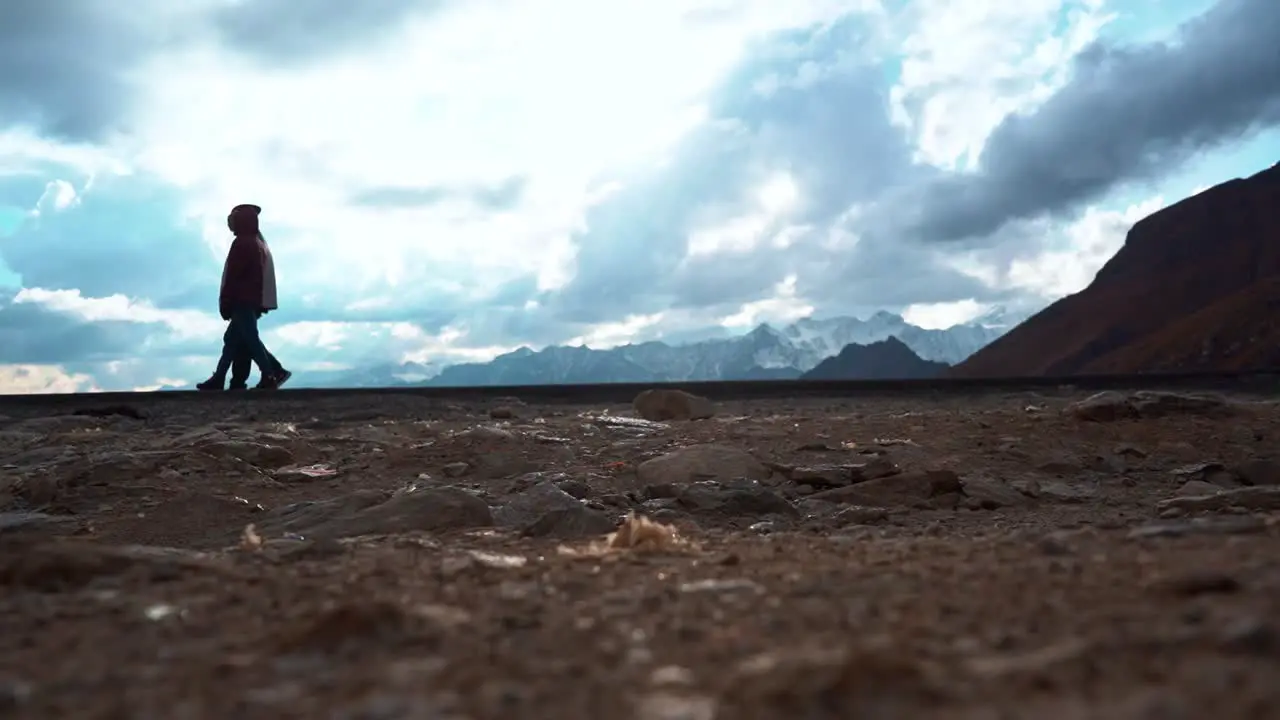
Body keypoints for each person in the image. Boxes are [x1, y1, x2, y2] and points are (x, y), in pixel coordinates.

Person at [197, 204, 291, 391]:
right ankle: (222, 377)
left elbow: (234, 276)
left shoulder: (242, 243)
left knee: (248, 340)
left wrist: (226, 302)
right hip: (251, 300)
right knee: (234, 340)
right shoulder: (258, 243)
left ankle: (269, 374)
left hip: (242, 300)